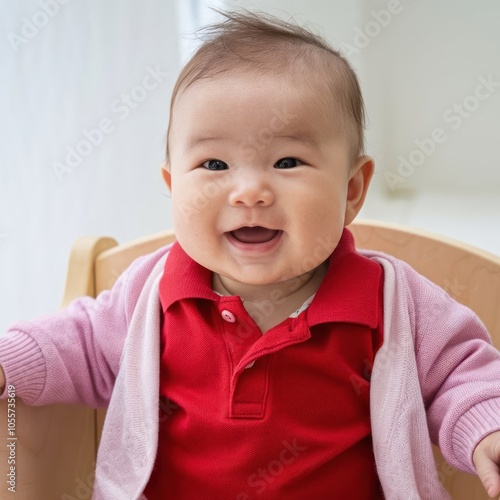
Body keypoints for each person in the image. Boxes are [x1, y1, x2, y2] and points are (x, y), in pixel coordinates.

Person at [1, 10, 499, 500]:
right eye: (214, 163)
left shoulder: (389, 300)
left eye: (287, 161)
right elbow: (81, 345)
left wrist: (486, 429)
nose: (249, 192)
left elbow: (460, 372)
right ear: (174, 189)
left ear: (350, 190)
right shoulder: (153, 294)